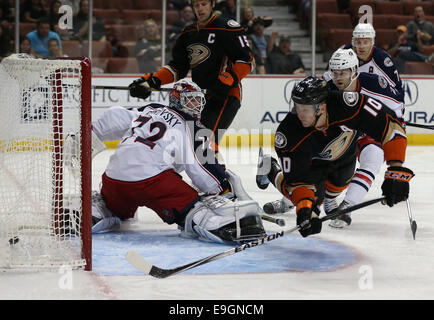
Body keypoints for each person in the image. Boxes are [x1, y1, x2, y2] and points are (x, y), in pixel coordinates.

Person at [81, 79, 266, 244]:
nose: (196, 105)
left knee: (114, 207)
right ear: (177, 100)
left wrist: (90, 133)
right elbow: (201, 167)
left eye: (198, 100)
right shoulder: (190, 125)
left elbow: (115, 115)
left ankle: (96, 213)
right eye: (190, 100)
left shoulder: (149, 108)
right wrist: (222, 186)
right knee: (194, 208)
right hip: (152, 182)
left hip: (114, 179)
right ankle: (222, 225)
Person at [256, 76, 413, 238]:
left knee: (337, 186)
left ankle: (328, 198)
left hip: (344, 157)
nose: (299, 114)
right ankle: (270, 168)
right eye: (297, 107)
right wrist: (305, 209)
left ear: (321, 108)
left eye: (305, 109)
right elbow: (297, 182)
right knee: (309, 201)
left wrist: (396, 170)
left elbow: (391, 126)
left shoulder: (348, 105)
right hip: (312, 164)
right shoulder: (288, 134)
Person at [128, 0, 255, 145]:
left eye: (204, 4)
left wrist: (229, 79)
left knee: (204, 145)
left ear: (212, 4)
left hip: (226, 95)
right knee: (196, 145)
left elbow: (248, 61)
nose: (200, 8)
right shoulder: (188, 33)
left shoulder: (227, 28)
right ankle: (215, 167)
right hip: (198, 98)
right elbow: (177, 67)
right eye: (196, 5)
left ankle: (216, 168)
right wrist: (152, 81)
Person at [323, 48, 405, 227]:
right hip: (343, 133)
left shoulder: (375, 83)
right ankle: (295, 199)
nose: (338, 78)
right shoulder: (326, 88)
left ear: (354, 72)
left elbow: (397, 106)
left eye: (343, 73)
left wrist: (398, 122)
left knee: (373, 159)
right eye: (334, 73)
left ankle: (347, 207)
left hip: (369, 132)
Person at [343, 23, 403, 97]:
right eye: (358, 42)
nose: (361, 46)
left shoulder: (382, 59)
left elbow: (396, 89)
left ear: (372, 42)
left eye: (365, 42)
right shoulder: (345, 52)